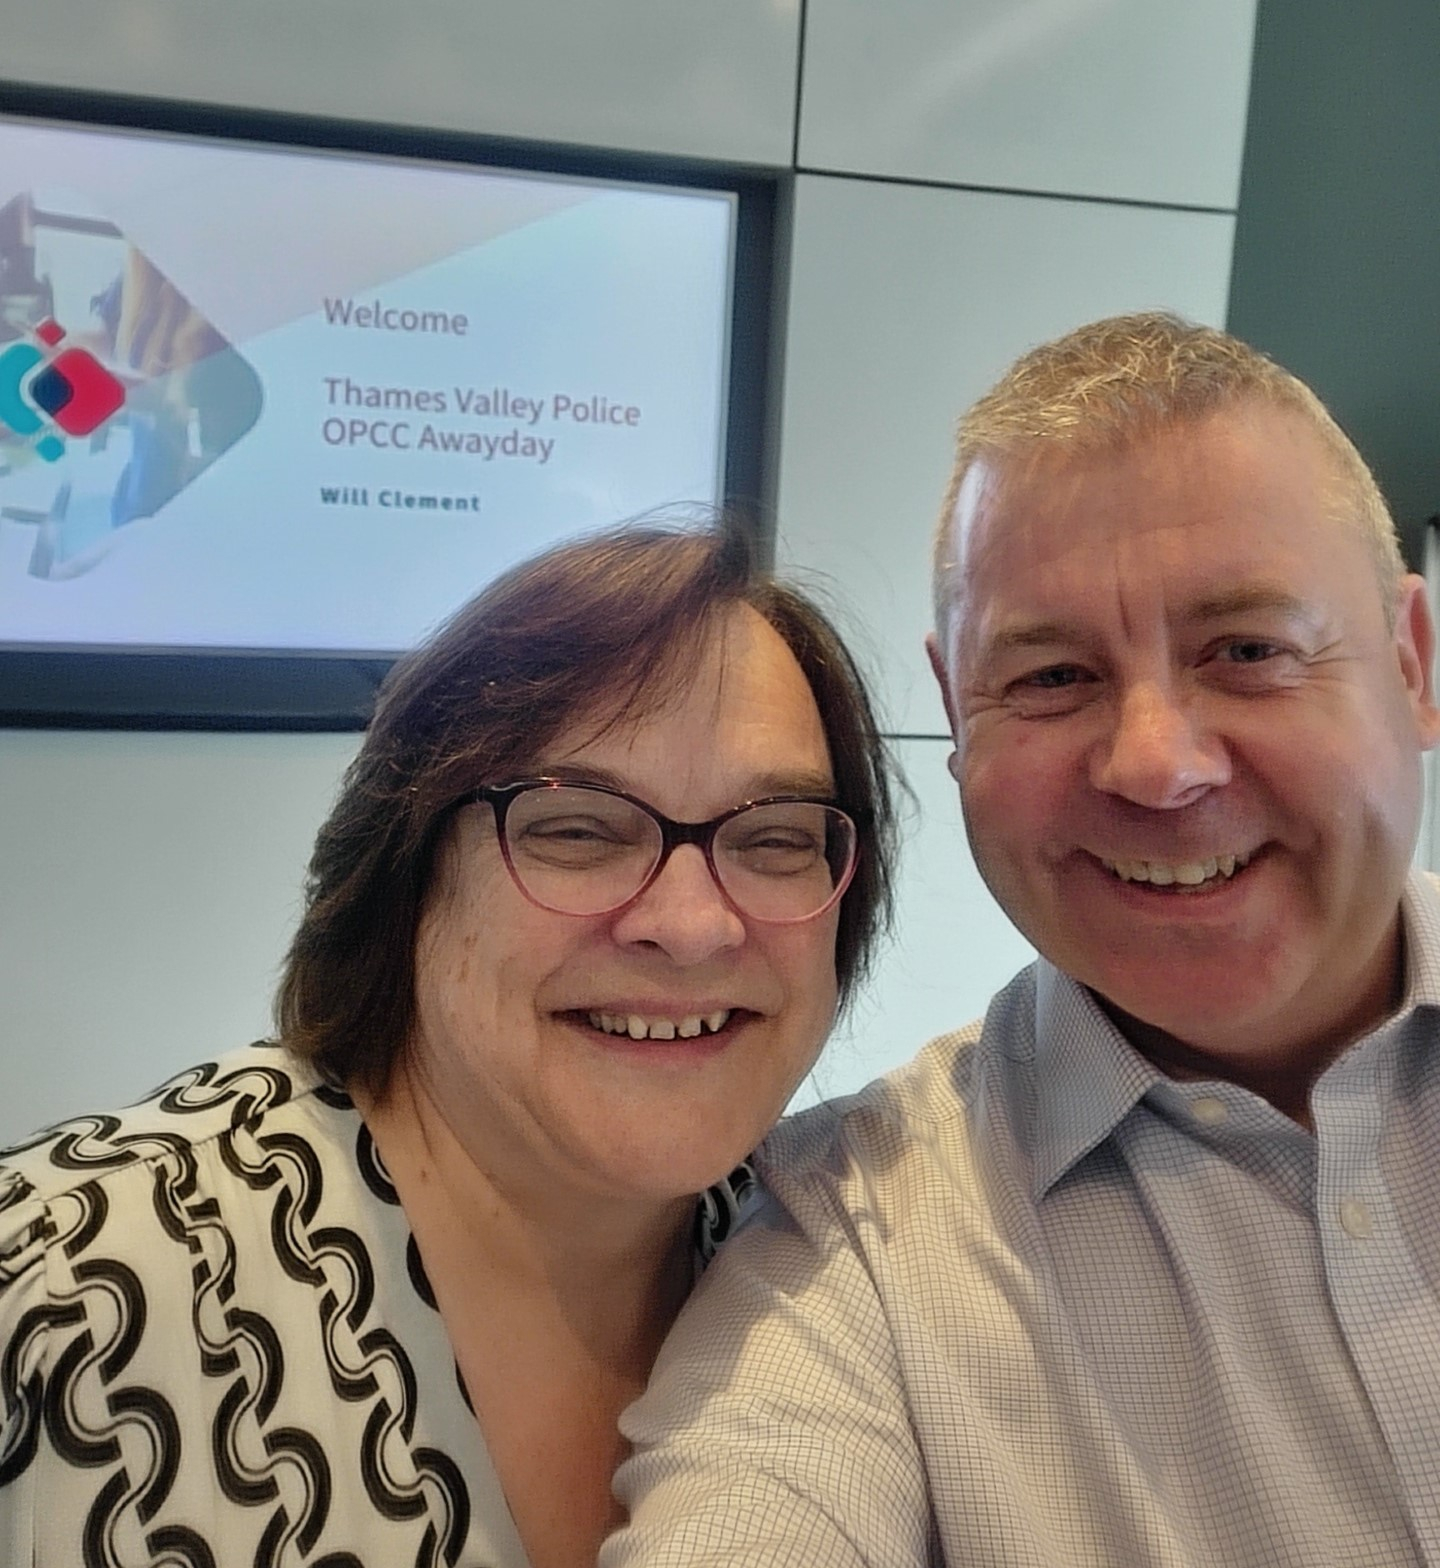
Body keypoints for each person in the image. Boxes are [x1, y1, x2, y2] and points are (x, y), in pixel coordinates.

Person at [606, 313, 1440, 1568]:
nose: (1156, 765)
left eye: (1249, 651)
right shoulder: (852, 1244)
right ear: (956, 715)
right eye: (1051, 678)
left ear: (1414, 663)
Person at [0, 520, 897, 1568]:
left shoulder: (838, 1285)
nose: (693, 924)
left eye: (776, 838)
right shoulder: (57, 1293)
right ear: (409, 879)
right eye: (577, 829)